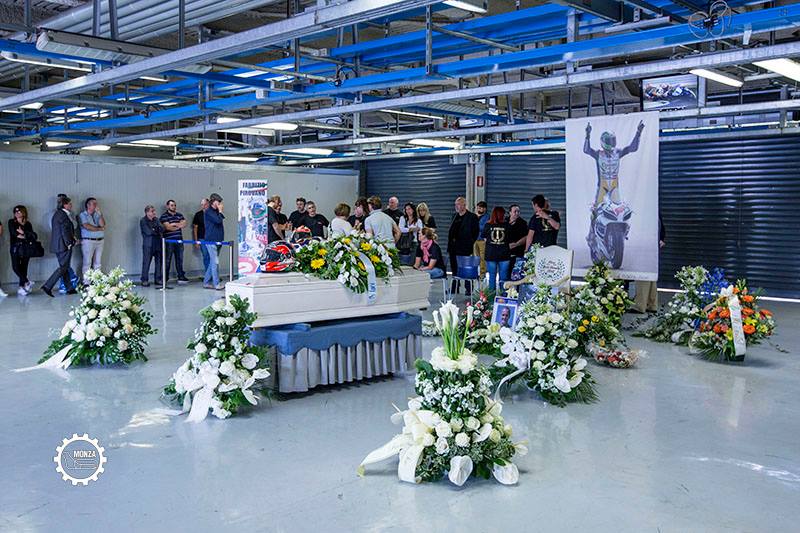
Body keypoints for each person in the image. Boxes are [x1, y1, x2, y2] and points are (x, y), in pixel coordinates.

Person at [42, 196, 77, 297]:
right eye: (69, 203)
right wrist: (69, 243)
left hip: (59, 244)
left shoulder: (59, 214)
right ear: (64, 205)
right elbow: (64, 231)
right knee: (63, 267)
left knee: (65, 266)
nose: (71, 205)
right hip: (63, 245)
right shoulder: (62, 215)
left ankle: (69, 288)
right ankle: (47, 286)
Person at [633, 216, 666, 313]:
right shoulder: (655, 210)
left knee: (642, 274)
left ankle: (640, 305)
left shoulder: (644, 211)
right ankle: (652, 304)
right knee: (651, 275)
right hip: (653, 243)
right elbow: (661, 224)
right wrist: (662, 238)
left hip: (644, 243)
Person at [447, 196, 479, 294]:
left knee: (466, 268)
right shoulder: (454, 216)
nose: (456, 206)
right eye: (455, 205)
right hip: (453, 247)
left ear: (464, 205)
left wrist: (470, 242)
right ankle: (454, 287)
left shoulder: (472, 217)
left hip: (465, 247)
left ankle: (468, 288)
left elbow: (475, 232)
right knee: (454, 269)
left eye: (458, 204)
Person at [8, 205, 38, 296]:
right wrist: (26, 236)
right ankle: (27, 281)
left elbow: (34, 236)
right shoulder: (11, 222)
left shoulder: (28, 224)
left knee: (24, 268)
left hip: (26, 248)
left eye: (19, 211)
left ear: (24, 212)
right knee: (15, 267)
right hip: (15, 248)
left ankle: (22, 288)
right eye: (15, 211)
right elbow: (14, 234)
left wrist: (23, 233)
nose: (17, 213)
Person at [482, 206, 511, 293]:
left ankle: (492, 297)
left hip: (491, 254)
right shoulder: (507, 225)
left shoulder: (488, 225)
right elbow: (510, 239)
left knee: (492, 277)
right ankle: (503, 296)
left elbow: (484, 238)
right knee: (503, 277)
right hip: (504, 254)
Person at [160, 199, 189, 285]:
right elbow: (168, 227)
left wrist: (174, 224)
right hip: (169, 241)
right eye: (172, 205)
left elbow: (184, 224)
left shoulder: (179, 215)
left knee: (179, 259)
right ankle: (165, 277)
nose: (174, 207)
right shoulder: (164, 216)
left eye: (175, 205)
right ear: (167, 206)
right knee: (167, 260)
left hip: (179, 240)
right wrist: (178, 225)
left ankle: (181, 276)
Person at [79, 197, 105, 283]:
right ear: (88, 205)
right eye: (94, 204)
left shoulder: (97, 214)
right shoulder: (83, 215)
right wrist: (99, 229)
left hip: (100, 241)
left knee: (98, 262)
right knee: (87, 262)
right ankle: (86, 282)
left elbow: (103, 224)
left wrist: (100, 213)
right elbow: (87, 226)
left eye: (96, 204)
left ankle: (97, 281)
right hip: (88, 241)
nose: (96, 205)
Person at [204, 193, 225, 290]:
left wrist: (219, 212)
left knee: (212, 262)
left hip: (218, 240)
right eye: (218, 202)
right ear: (213, 201)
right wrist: (220, 211)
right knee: (215, 262)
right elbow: (218, 221)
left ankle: (206, 282)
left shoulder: (216, 211)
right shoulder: (208, 212)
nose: (220, 204)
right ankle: (216, 283)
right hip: (211, 240)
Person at [140, 205, 163, 287]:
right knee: (146, 263)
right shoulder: (143, 221)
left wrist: (154, 229)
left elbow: (162, 228)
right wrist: (156, 230)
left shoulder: (156, 219)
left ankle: (158, 279)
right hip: (148, 245)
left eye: (154, 211)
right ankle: (144, 280)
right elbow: (148, 232)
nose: (154, 212)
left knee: (159, 262)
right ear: (147, 212)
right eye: (152, 211)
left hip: (158, 244)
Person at [192, 198, 210, 274]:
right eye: (202, 205)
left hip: (212, 238)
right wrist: (196, 241)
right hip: (202, 238)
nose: (203, 206)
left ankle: (214, 274)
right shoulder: (198, 215)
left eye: (205, 204)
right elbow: (195, 228)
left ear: (208, 204)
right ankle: (208, 274)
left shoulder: (213, 214)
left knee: (213, 257)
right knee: (206, 256)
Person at [473, 201, 489, 278]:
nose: (479, 209)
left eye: (481, 208)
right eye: (478, 208)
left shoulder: (487, 217)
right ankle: (474, 272)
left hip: (482, 240)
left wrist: (475, 226)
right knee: (475, 257)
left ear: (485, 209)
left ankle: (482, 274)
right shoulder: (474, 216)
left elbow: (484, 228)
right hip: (474, 239)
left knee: (483, 258)